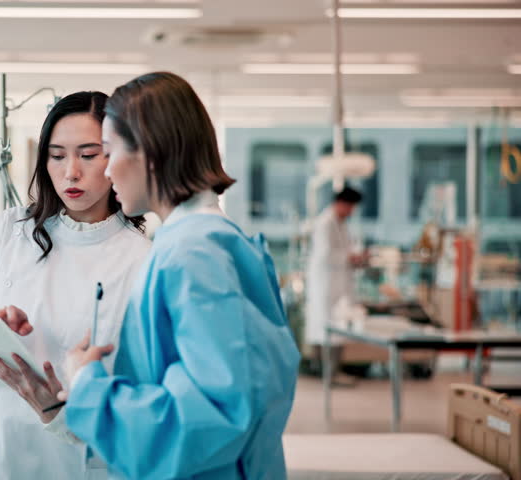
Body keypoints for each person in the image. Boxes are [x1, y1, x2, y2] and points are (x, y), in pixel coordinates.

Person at [39, 72, 300, 479]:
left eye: (108, 151)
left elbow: (211, 418)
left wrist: (87, 383)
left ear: (151, 154)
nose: (106, 173)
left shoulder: (192, 253)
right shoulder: (216, 239)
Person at [0, 91, 151, 480]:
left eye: (88, 155)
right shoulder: (5, 233)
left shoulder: (140, 260)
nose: (71, 172)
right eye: (57, 156)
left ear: (117, 157)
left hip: (71, 457)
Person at [304, 186, 367, 371]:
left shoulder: (340, 223)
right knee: (325, 327)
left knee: (337, 326)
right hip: (326, 284)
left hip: (337, 283)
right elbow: (325, 255)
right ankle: (326, 371)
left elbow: (343, 251)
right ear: (340, 203)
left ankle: (333, 371)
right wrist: (350, 257)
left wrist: (354, 258)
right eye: (350, 207)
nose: (351, 212)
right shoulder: (325, 223)